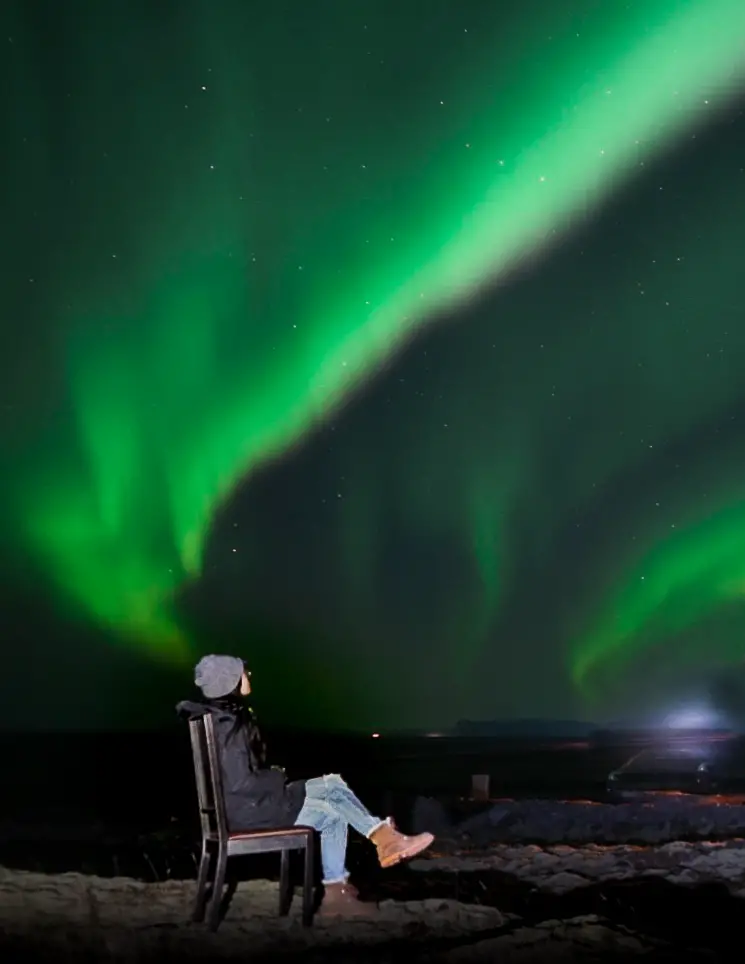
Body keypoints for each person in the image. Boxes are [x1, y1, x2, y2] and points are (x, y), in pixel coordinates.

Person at [177, 654, 435, 917]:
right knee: (333, 793)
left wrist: (274, 777)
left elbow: (238, 780)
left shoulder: (220, 717)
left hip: (244, 808)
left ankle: (343, 887)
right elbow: (242, 782)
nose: (249, 676)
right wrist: (278, 775)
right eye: (245, 672)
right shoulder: (228, 724)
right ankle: (381, 842)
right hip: (250, 813)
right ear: (230, 680)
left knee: (333, 798)